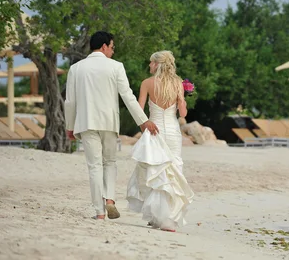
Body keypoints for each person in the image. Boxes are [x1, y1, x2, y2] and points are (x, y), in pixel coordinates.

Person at [65, 31, 159, 220]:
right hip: (109, 122)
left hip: (85, 122)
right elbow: (128, 96)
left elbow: (70, 102)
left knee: (94, 166)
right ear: (104, 46)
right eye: (112, 47)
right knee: (110, 162)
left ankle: (99, 212)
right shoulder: (116, 67)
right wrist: (143, 120)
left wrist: (70, 125)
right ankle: (110, 200)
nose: (113, 51)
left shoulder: (76, 68)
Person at [126, 50, 194, 232]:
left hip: (154, 130)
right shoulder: (178, 83)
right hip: (172, 133)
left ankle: (159, 217)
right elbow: (183, 114)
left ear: (157, 64)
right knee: (172, 171)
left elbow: (139, 110)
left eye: (151, 62)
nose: (149, 65)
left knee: (156, 172)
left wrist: (144, 128)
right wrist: (183, 100)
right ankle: (169, 218)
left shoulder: (147, 83)